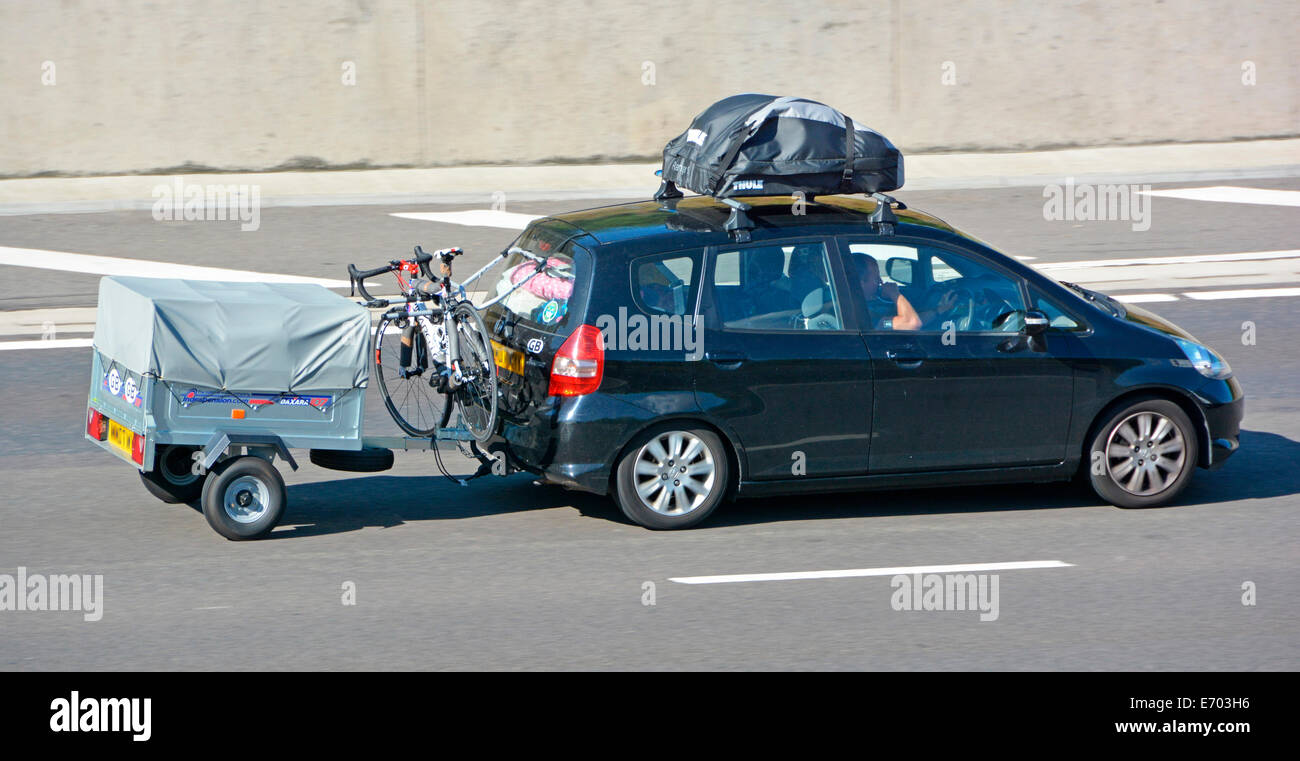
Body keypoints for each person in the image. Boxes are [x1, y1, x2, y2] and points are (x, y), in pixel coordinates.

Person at [854, 255, 957, 331]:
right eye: (876, 278)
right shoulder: (866, 315)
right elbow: (912, 323)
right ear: (861, 283)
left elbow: (910, 319)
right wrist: (895, 294)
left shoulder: (874, 302)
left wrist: (938, 310)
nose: (881, 281)